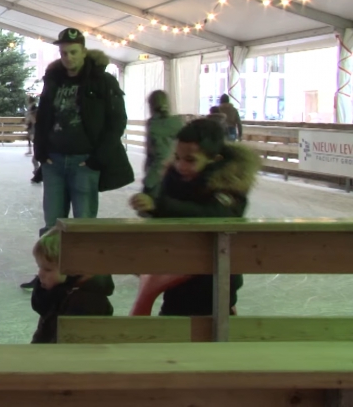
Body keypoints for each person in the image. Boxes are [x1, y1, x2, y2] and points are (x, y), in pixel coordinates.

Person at [23, 27, 133, 290]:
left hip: (85, 162)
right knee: (52, 225)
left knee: (83, 223)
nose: (68, 57)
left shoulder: (102, 81)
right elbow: (44, 117)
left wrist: (97, 159)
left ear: (83, 51)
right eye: (63, 53)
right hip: (54, 162)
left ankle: (82, 277)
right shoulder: (53, 79)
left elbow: (117, 121)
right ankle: (48, 275)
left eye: (73, 52)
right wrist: (41, 153)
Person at [128, 119, 258, 316]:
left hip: (214, 281)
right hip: (175, 276)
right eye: (177, 157)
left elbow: (215, 215)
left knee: (206, 329)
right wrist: (151, 208)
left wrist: (161, 206)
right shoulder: (174, 178)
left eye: (190, 160)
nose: (180, 165)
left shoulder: (229, 184)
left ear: (214, 159)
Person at [29, 228, 114, 343]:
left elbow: (69, 347)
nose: (40, 274)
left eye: (48, 270)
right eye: (39, 267)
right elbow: (44, 316)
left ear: (73, 271)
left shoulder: (85, 303)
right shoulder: (61, 291)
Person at [143, 90, 184, 199]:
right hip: (177, 176)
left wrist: (149, 182)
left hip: (158, 178)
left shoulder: (154, 125)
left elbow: (161, 155)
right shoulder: (178, 123)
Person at [28, 102, 43, 184]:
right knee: (36, 159)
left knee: (36, 159)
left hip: (40, 145)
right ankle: (37, 174)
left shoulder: (39, 125)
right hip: (37, 144)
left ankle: (37, 175)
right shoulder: (35, 125)